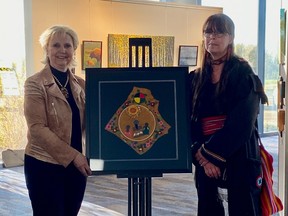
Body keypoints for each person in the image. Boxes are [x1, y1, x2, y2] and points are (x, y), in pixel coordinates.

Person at [189, 14, 268, 216]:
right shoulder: (196, 78)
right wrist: (200, 154)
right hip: (205, 153)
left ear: (231, 37)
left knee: (244, 208)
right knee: (208, 208)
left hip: (239, 152)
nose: (212, 37)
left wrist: (212, 155)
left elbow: (243, 122)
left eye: (219, 32)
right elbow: (188, 121)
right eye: (208, 32)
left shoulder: (244, 73)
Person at [24, 25, 92, 216]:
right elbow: (37, 128)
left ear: (74, 50)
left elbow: (93, 122)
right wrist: (74, 156)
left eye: (67, 46)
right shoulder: (34, 83)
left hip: (76, 169)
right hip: (43, 166)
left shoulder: (82, 84)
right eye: (56, 45)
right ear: (47, 49)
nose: (62, 51)